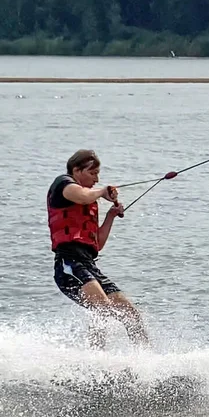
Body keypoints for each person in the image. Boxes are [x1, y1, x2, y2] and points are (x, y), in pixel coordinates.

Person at [47, 149, 149, 349]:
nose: (97, 178)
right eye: (92, 173)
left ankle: (147, 362)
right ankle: (96, 362)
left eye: (98, 174)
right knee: (102, 307)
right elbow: (84, 196)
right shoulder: (63, 184)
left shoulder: (88, 200)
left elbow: (98, 244)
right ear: (76, 171)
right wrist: (102, 192)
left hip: (88, 264)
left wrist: (110, 216)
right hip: (68, 264)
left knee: (131, 314)